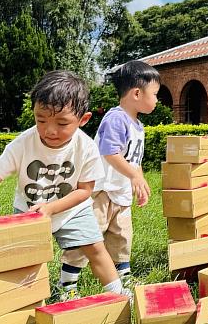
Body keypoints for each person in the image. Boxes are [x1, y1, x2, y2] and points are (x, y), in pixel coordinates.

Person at [0, 70, 131, 300]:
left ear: (83, 119)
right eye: (40, 119)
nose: (49, 130)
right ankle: (24, 302)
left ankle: (119, 295)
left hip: (72, 210)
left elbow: (85, 191)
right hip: (28, 211)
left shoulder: (87, 148)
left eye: (62, 123)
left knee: (95, 249)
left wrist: (52, 209)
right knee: (23, 260)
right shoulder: (23, 143)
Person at [58, 60, 160, 298]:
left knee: (121, 239)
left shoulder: (138, 126)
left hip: (120, 193)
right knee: (87, 238)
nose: (157, 100)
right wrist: (133, 174)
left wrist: (139, 180)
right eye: (155, 94)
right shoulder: (116, 118)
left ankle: (123, 279)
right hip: (100, 192)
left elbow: (134, 160)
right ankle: (66, 285)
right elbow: (110, 152)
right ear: (137, 93)